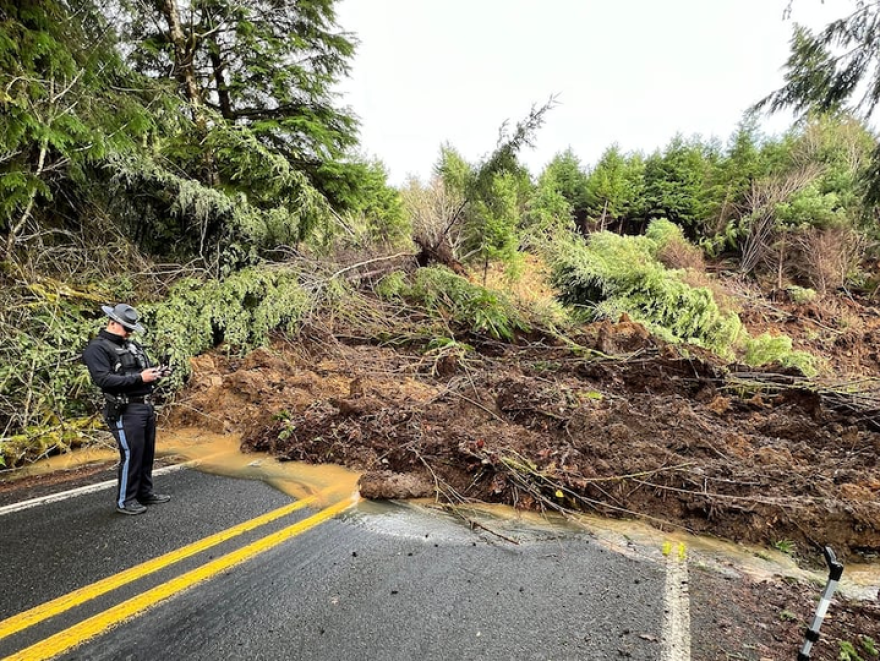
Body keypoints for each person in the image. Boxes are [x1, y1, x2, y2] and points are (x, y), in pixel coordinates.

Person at [82, 303, 172, 515]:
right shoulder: (97, 348)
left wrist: (156, 374)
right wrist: (139, 377)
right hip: (124, 409)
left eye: (131, 328)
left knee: (146, 453)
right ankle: (126, 500)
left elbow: (140, 374)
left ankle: (145, 493)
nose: (130, 332)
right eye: (126, 328)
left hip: (145, 405)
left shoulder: (132, 346)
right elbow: (103, 379)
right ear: (112, 323)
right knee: (131, 454)